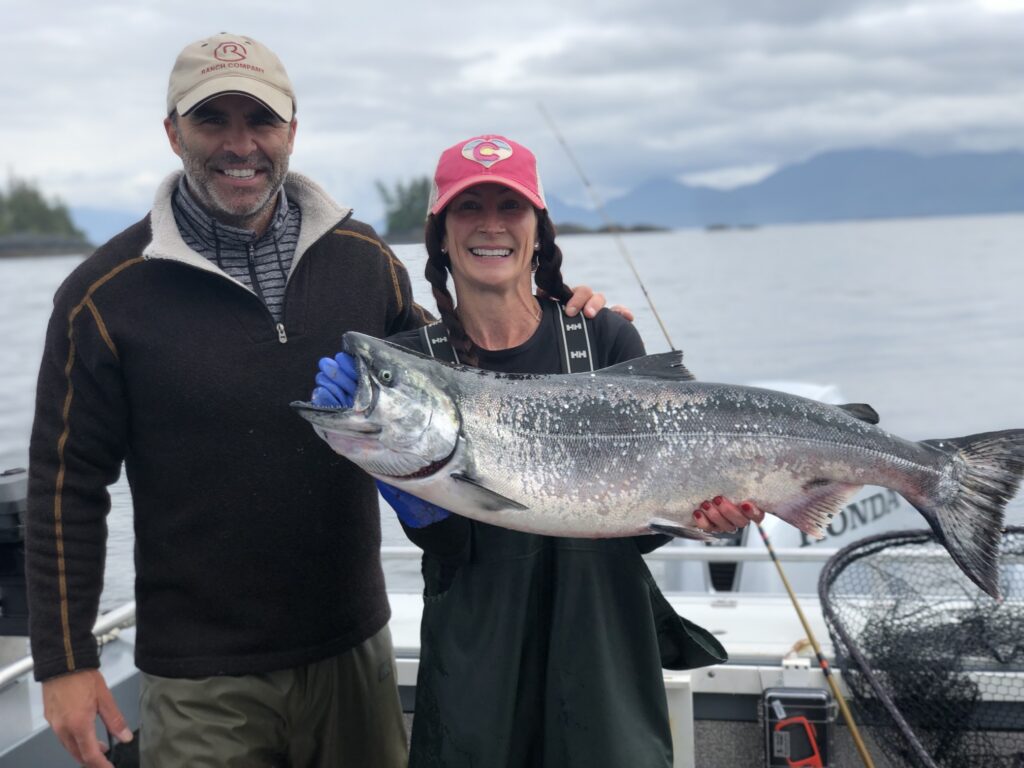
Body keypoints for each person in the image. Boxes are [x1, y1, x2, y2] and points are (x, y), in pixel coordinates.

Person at [25, 37, 609, 768]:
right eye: (214, 120)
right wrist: (67, 660)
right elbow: (66, 484)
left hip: (353, 652)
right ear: (173, 132)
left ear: (292, 132)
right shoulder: (104, 297)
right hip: (202, 676)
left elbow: (468, 386)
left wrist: (556, 316)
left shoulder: (364, 260)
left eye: (261, 121)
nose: (241, 145)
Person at [312, 134, 765, 767]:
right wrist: (397, 480)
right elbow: (448, 548)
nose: (490, 226)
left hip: (605, 655)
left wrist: (702, 516)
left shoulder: (605, 336)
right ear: (439, 233)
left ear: (538, 229)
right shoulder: (415, 363)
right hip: (476, 664)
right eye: (469, 209)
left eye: (511, 207)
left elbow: (637, 531)